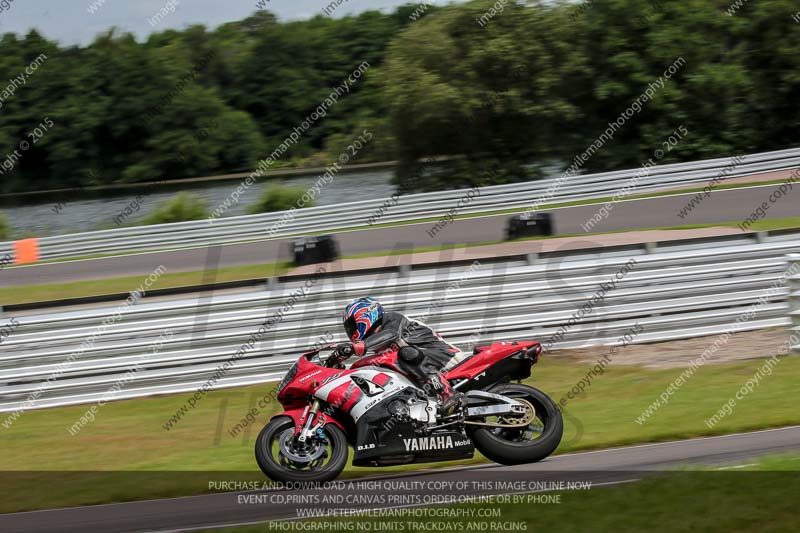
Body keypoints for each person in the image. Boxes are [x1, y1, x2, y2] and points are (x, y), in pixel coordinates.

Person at [333, 297, 466, 415]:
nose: (350, 330)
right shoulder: (378, 345)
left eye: (352, 325)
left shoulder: (391, 319)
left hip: (448, 358)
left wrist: (358, 346)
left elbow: (391, 334)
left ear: (365, 315)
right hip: (430, 365)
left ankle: (448, 393)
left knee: (405, 353)